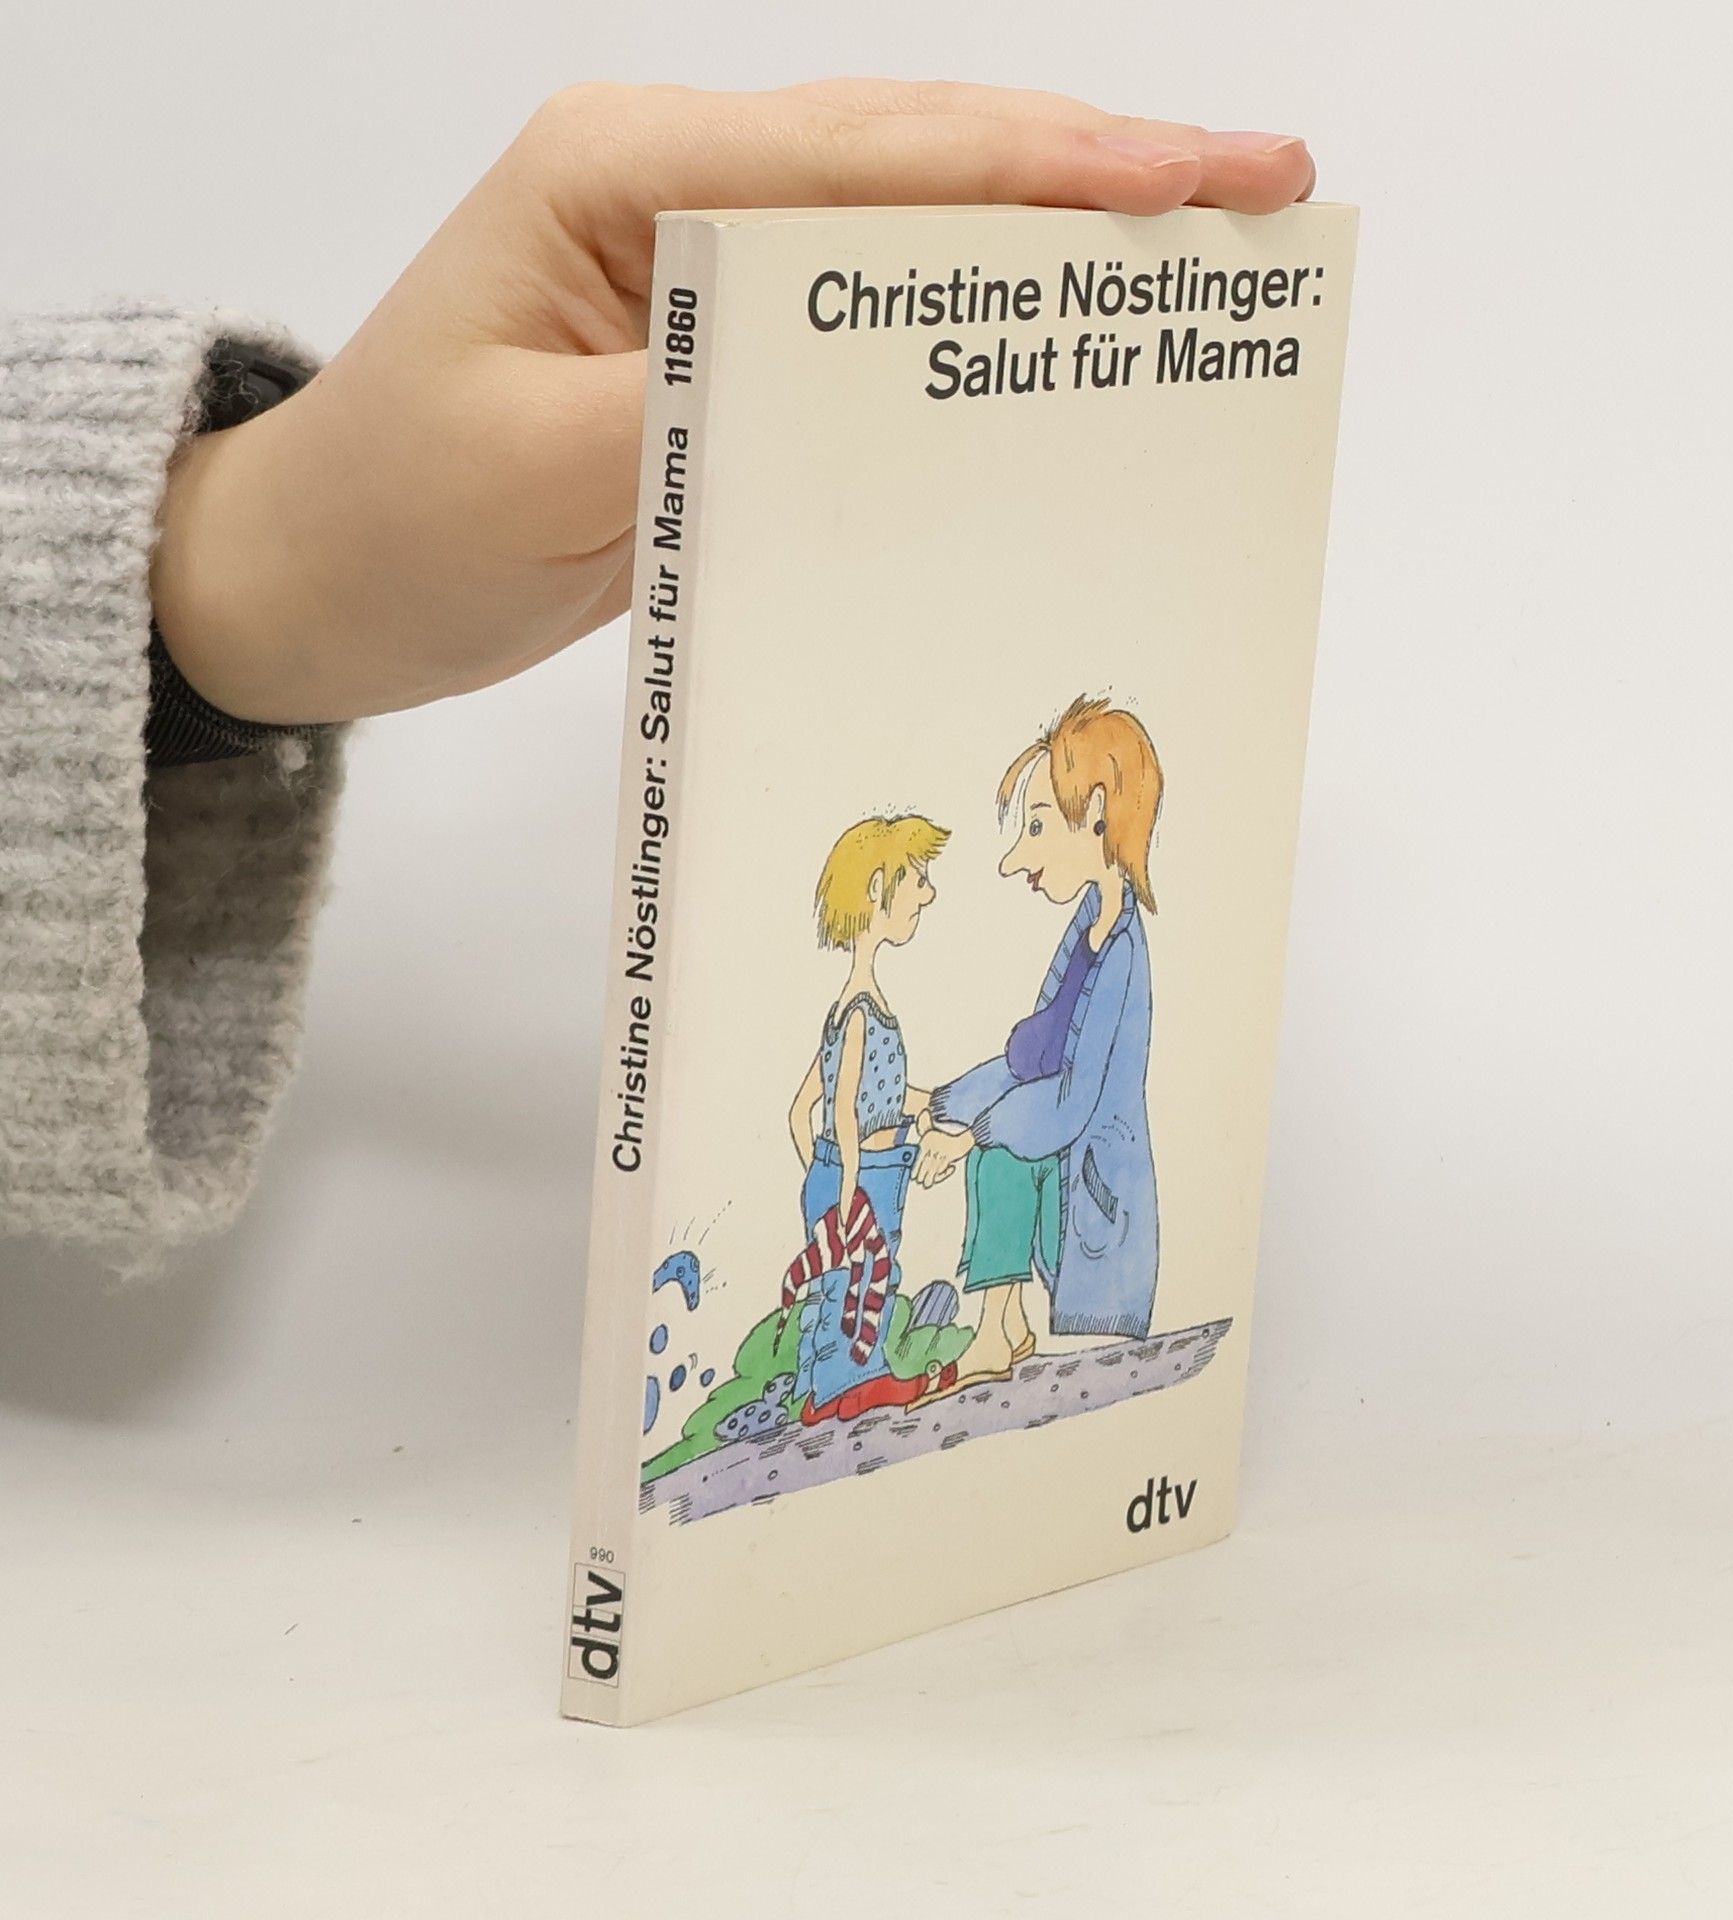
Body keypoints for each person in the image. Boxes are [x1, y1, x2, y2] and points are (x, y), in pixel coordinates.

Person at [0, 80, 1315, 1263]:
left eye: (1029, 825)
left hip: (1082, 1225)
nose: (994, 861)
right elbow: (940, 1091)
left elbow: (1066, 1085)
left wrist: (235, 573)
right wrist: (254, 559)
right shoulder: (930, 992)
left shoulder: (1106, 950)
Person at [915, 698, 1164, 1385]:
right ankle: (1006, 1325)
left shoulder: (1120, 953)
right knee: (996, 1145)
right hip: (1065, 1166)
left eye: (1036, 827)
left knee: (996, 1157)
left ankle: (995, 1334)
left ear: (1099, 814)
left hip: (1095, 1198)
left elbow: (1068, 1104)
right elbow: (1030, 1060)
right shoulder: (1088, 926)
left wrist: (969, 1135)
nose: (1014, 861)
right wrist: (940, 1103)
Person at [782, 816, 956, 1423]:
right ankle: (853, 1383)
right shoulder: (861, 1012)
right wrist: (849, 1185)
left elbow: (802, 1112)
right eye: (917, 880)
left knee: (835, 1281)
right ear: (879, 888)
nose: (927, 894)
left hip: (842, 1170)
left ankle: (818, 1387)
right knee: (867, 1274)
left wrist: (822, 1173)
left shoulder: (843, 1010)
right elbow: (842, 1110)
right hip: (868, 1175)